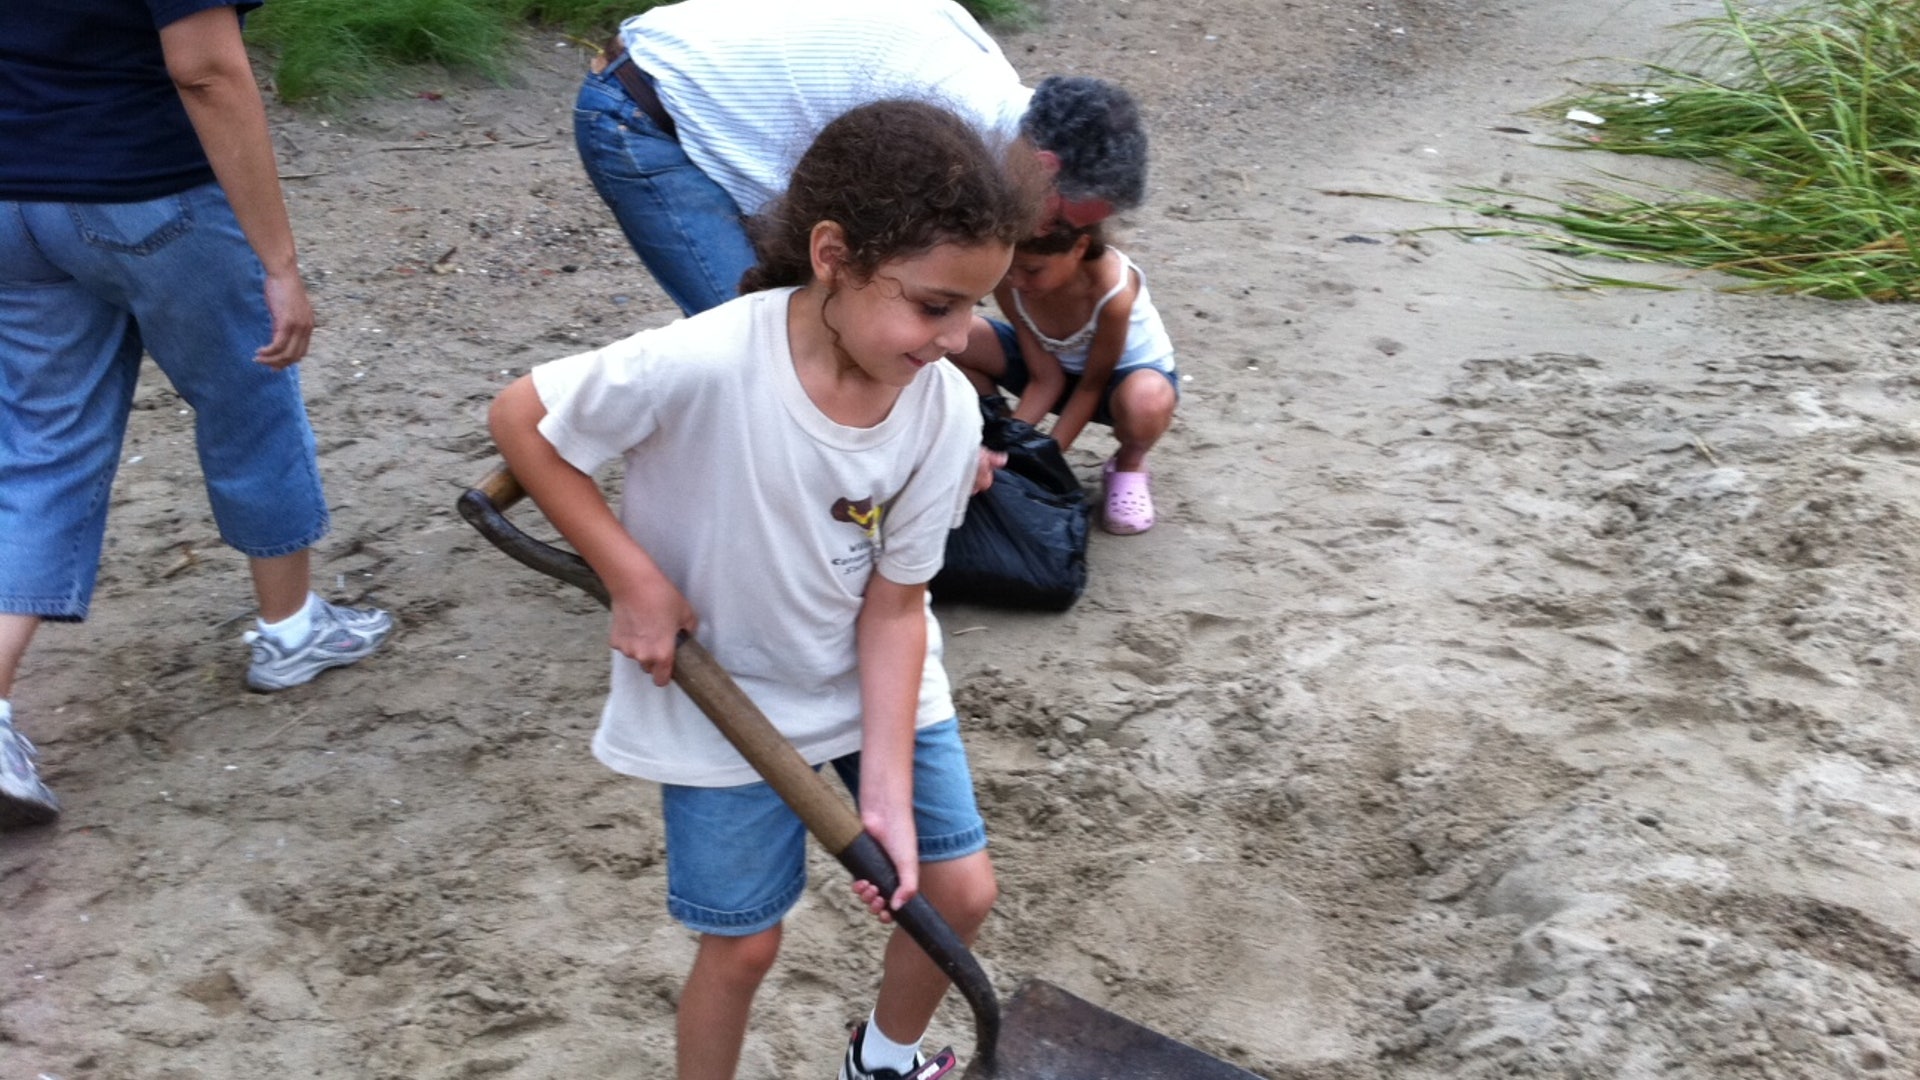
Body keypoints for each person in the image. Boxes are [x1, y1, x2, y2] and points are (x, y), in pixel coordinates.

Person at [490, 99, 1035, 1080]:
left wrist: (886, 795)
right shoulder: (705, 362)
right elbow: (522, 422)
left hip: (873, 678)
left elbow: (897, 605)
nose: (956, 339)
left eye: (973, 308)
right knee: (744, 946)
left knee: (955, 891)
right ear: (834, 254)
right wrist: (635, 579)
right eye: (932, 304)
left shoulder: (943, 410)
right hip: (730, 697)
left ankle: (883, 1062)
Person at [0, 0, 393, 829]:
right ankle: (291, 631)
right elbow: (204, 68)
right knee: (249, 394)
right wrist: (279, 263)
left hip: (17, 203)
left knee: (44, 446)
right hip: (148, 192)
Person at [575, 0, 1147, 317]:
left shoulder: (991, 97)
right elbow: (836, 253)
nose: (1049, 233)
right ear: (1045, 167)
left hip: (704, 80)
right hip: (643, 108)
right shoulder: (938, 137)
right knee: (757, 336)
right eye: (1067, 220)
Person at [952, 221, 1179, 534]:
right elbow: (1045, 379)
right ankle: (998, 432)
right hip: (1054, 369)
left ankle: (1129, 465)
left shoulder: (1114, 293)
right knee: (956, 339)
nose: (1016, 281)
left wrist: (1045, 462)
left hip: (1114, 385)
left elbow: (1090, 387)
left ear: (1080, 248)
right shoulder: (1013, 282)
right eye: (1010, 267)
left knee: (1148, 399)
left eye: (1031, 270)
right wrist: (1012, 446)